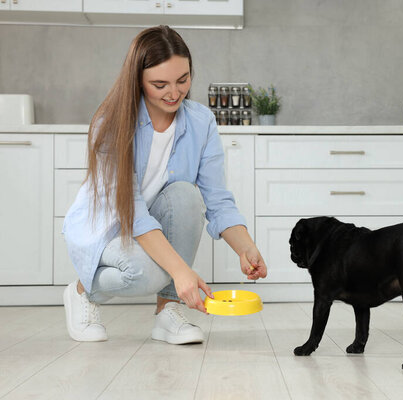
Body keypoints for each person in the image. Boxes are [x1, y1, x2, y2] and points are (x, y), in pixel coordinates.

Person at [62, 25, 267, 345]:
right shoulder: (112, 122)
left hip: (148, 224)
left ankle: (167, 313)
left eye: (183, 80)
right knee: (152, 273)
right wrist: (181, 272)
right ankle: (82, 291)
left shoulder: (201, 122)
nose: (174, 93)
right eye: (160, 84)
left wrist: (246, 247)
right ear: (138, 81)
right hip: (107, 227)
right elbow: (132, 210)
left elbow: (217, 199)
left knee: (186, 195)